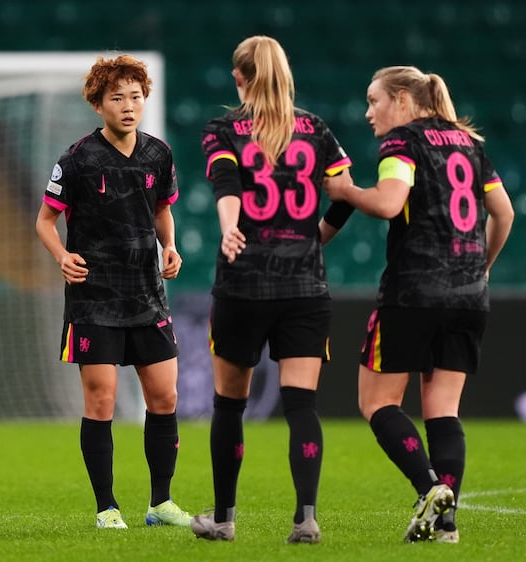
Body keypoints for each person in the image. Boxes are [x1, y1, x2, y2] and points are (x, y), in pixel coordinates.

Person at [324, 65, 514, 544]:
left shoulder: (402, 142)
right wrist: (481, 266)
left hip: (413, 293)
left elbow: (389, 203)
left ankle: (429, 488)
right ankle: (445, 526)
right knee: (444, 412)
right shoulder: (470, 144)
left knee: (376, 402)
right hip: (469, 297)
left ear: (404, 100)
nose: (369, 113)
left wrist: (345, 191)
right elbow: (504, 212)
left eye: (375, 101)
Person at [189, 35, 354, 544]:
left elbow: (226, 186)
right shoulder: (316, 129)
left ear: (239, 78)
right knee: (301, 405)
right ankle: (305, 518)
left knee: (229, 405)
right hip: (305, 284)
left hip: (244, 282)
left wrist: (231, 227)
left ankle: (223, 518)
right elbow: (345, 197)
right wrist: (315, 239)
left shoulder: (224, 129)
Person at [35, 53, 191, 530]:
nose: (128, 105)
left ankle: (161, 503)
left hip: (147, 295)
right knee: (100, 400)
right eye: (117, 97)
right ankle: (107, 508)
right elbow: (44, 221)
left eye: (136, 96)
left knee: (164, 398)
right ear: (98, 104)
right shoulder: (78, 158)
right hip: (94, 297)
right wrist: (62, 256)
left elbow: (162, 207)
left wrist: (170, 244)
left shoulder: (157, 154)